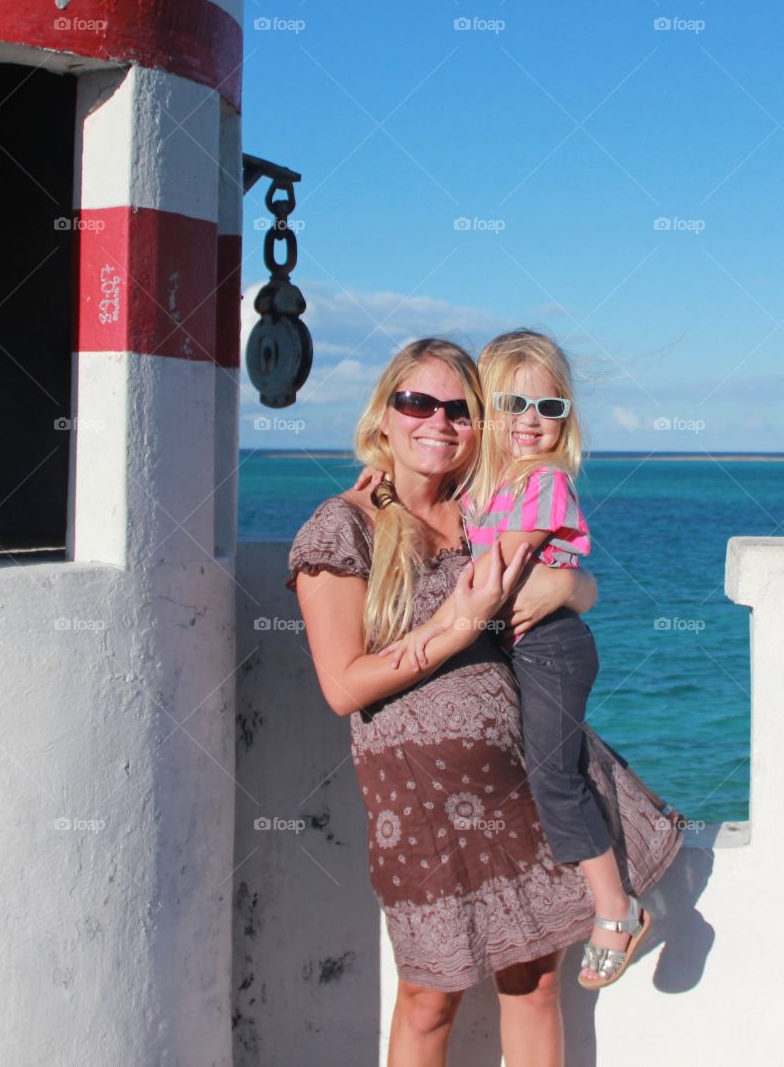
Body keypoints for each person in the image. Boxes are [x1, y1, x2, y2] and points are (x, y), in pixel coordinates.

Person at [286, 337, 682, 1067]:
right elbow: (342, 686)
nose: (437, 421)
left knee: (535, 984)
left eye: (458, 409)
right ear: (383, 414)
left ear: (479, 425)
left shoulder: (475, 509)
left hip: (521, 787)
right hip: (419, 805)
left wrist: (571, 586)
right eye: (416, 402)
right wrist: (456, 624)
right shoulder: (341, 528)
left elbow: (564, 578)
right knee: (428, 995)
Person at [380, 329, 650, 989]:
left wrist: (429, 634)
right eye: (513, 404)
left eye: (549, 408)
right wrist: (382, 487)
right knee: (540, 769)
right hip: (522, 646)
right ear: (487, 409)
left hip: (551, 646)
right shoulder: (486, 484)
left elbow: (498, 570)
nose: (531, 421)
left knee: (553, 776)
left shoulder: (543, 482)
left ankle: (616, 909)